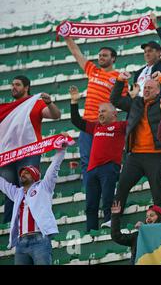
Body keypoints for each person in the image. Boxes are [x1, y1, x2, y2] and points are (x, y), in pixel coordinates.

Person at [63, 35, 127, 191]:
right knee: (86, 161)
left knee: (106, 163)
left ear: (113, 59)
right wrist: (67, 37)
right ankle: (90, 194)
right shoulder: (93, 70)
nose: (101, 58)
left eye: (105, 55)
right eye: (99, 55)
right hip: (87, 125)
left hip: (104, 126)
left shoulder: (118, 78)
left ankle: (107, 192)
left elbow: (123, 102)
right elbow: (77, 54)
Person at [110, 71, 161, 213]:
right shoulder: (136, 103)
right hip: (135, 156)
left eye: (150, 88)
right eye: (145, 88)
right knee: (121, 188)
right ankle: (114, 222)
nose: (146, 90)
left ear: (158, 91)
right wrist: (119, 81)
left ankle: (159, 223)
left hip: (156, 154)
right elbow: (115, 100)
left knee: (157, 192)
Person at [1, 76, 61, 223]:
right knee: (9, 193)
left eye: (17, 84)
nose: (13, 87)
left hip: (29, 153)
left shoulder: (35, 103)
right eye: (12, 84)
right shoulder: (6, 108)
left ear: (26, 87)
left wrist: (50, 103)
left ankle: (33, 222)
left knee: (29, 188)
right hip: (8, 155)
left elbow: (56, 115)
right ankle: (10, 225)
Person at [0, 136, 68, 265]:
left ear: (35, 176)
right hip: (21, 243)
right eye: (21, 173)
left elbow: (54, 168)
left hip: (39, 240)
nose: (22, 175)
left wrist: (61, 151)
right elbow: (2, 184)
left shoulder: (44, 187)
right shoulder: (17, 193)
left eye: (26, 172)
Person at [70, 85, 126, 231]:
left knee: (107, 198)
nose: (100, 114)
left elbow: (135, 117)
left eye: (103, 111)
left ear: (114, 114)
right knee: (90, 204)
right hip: (92, 169)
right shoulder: (95, 127)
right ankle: (91, 230)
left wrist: (132, 97)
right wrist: (74, 102)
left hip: (109, 167)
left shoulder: (120, 126)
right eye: (99, 111)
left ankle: (109, 223)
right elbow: (76, 121)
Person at [134, 14, 161, 97]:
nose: (147, 54)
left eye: (150, 51)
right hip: (140, 106)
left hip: (157, 104)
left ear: (159, 52)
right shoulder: (138, 72)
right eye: (145, 52)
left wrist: (156, 26)